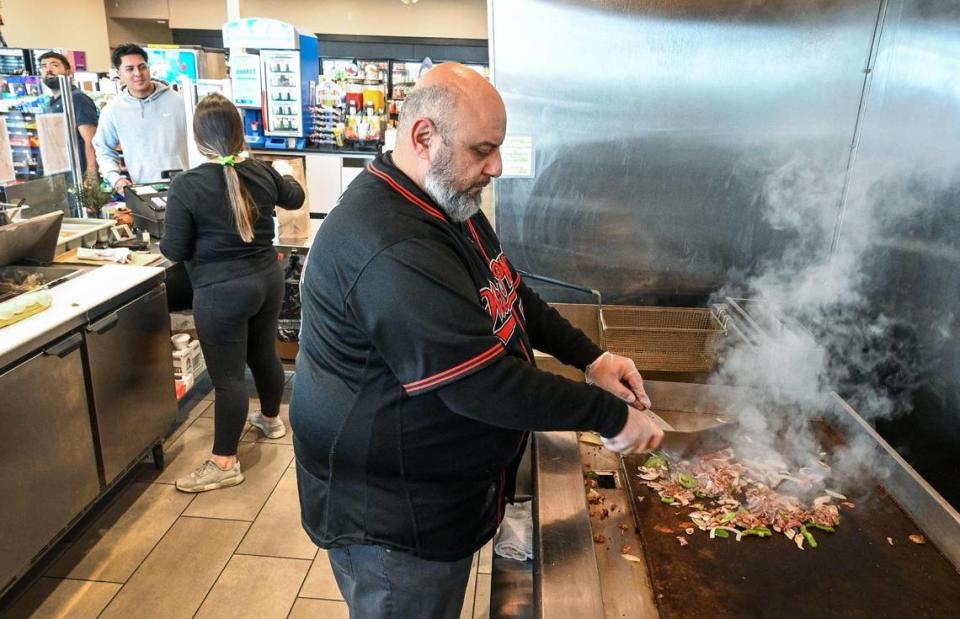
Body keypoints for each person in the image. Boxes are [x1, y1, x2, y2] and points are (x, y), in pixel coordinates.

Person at [290, 63, 664, 618]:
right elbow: (482, 385)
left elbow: (510, 291)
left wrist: (592, 358)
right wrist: (609, 416)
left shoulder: (446, 202)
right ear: (424, 137)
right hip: (394, 518)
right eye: (483, 150)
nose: (495, 167)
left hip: (435, 487)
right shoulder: (388, 243)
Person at [159, 93, 305, 493]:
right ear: (240, 133)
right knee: (263, 354)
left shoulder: (187, 185)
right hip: (265, 280)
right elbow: (295, 196)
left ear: (198, 137)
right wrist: (277, 171)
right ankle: (272, 420)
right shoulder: (260, 172)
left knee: (227, 378)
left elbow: (172, 250)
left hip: (221, 291)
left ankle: (224, 462)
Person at [92, 43, 188, 193]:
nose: (138, 73)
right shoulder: (113, 110)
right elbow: (103, 149)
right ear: (119, 73)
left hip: (185, 187)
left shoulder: (179, 101)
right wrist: (115, 179)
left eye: (142, 67)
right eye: (129, 69)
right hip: (143, 192)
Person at [38, 51, 99, 180]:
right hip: (58, 176)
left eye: (54, 65)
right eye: (44, 66)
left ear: (68, 71)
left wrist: (92, 177)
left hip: (77, 177)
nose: (48, 69)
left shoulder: (77, 99)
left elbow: (91, 140)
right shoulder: (51, 103)